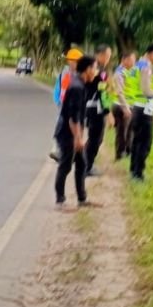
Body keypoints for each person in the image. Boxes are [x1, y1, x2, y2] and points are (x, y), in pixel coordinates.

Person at [54, 55, 98, 209]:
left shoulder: (81, 84)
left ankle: (82, 199)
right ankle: (60, 201)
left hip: (73, 132)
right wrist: (78, 138)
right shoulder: (77, 87)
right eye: (95, 68)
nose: (96, 71)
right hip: (67, 134)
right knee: (65, 165)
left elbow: (78, 116)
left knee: (82, 163)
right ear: (87, 69)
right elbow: (73, 118)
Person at [130, 43, 153, 181]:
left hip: (136, 107)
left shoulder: (138, 64)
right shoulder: (146, 67)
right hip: (144, 109)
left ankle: (133, 169)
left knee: (137, 140)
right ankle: (138, 174)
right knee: (146, 142)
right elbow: (146, 90)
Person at [84, 44, 113, 176]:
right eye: (107, 56)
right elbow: (103, 93)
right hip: (96, 109)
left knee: (94, 138)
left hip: (89, 107)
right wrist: (108, 113)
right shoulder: (100, 72)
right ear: (100, 55)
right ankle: (86, 167)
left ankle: (86, 164)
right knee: (96, 139)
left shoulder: (90, 67)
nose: (108, 59)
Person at [50, 47, 83, 162]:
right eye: (73, 61)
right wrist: (61, 103)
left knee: (74, 129)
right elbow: (60, 90)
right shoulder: (65, 73)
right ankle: (57, 150)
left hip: (74, 106)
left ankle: (71, 153)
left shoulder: (80, 74)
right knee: (61, 127)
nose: (75, 63)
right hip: (64, 105)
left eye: (77, 61)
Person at [111, 50, 138, 160]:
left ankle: (128, 151)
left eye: (134, 60)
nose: (133, 63)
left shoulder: (130, 72)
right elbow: (119, 92)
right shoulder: (119, 73)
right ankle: (119, 154)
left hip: (130, 106)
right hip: (121, 106)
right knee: (121, 131)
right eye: (131, 60)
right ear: (124, 60)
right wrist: (125, 108)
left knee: (130, 131)